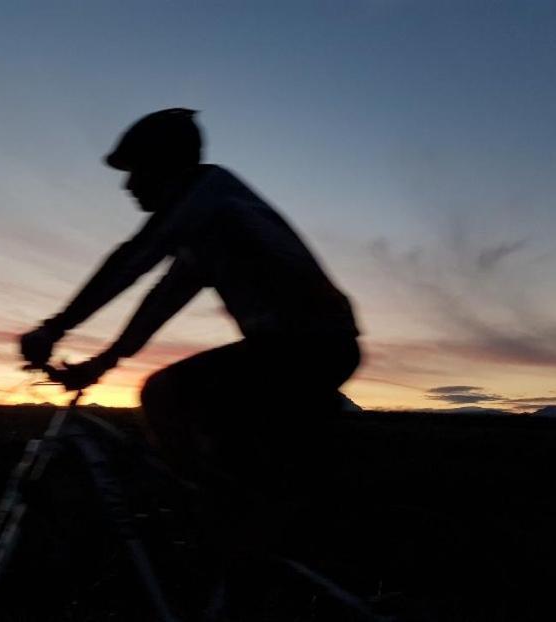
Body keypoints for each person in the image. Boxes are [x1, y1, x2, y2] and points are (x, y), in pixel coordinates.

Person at [19, 108, 361, 478]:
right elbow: (158, 305)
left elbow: (134, 258)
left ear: (165, 164)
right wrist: (103, 363)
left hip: (305, 347)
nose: (128, 185)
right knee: (223, 441)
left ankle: (210, 520)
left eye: (137, 170)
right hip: (312, 348)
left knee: (166, 397)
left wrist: (54, 328)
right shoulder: (210, 227)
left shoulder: (207, 195)